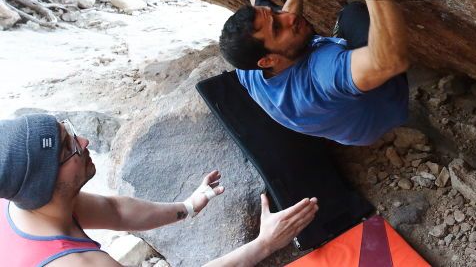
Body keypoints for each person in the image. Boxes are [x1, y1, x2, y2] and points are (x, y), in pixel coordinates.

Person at [0, 113, 318, 266]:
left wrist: (188, 207)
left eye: (70, 132)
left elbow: (116, 211)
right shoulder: (80, 264)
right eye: (69, 148)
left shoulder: (28, 202)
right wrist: (265, 244)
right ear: (47, 183)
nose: (84, 142)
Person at [219, 0, 410, 146]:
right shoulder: (320, 74)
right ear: (268, 61)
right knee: (353, 14)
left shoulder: (249, 68)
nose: (289, 17)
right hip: (384, 108)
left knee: (265, 11)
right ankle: (341, 39)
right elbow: (390, 61)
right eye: (278, 28)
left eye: (277, 17)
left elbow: (271, 19)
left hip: (347, 123)